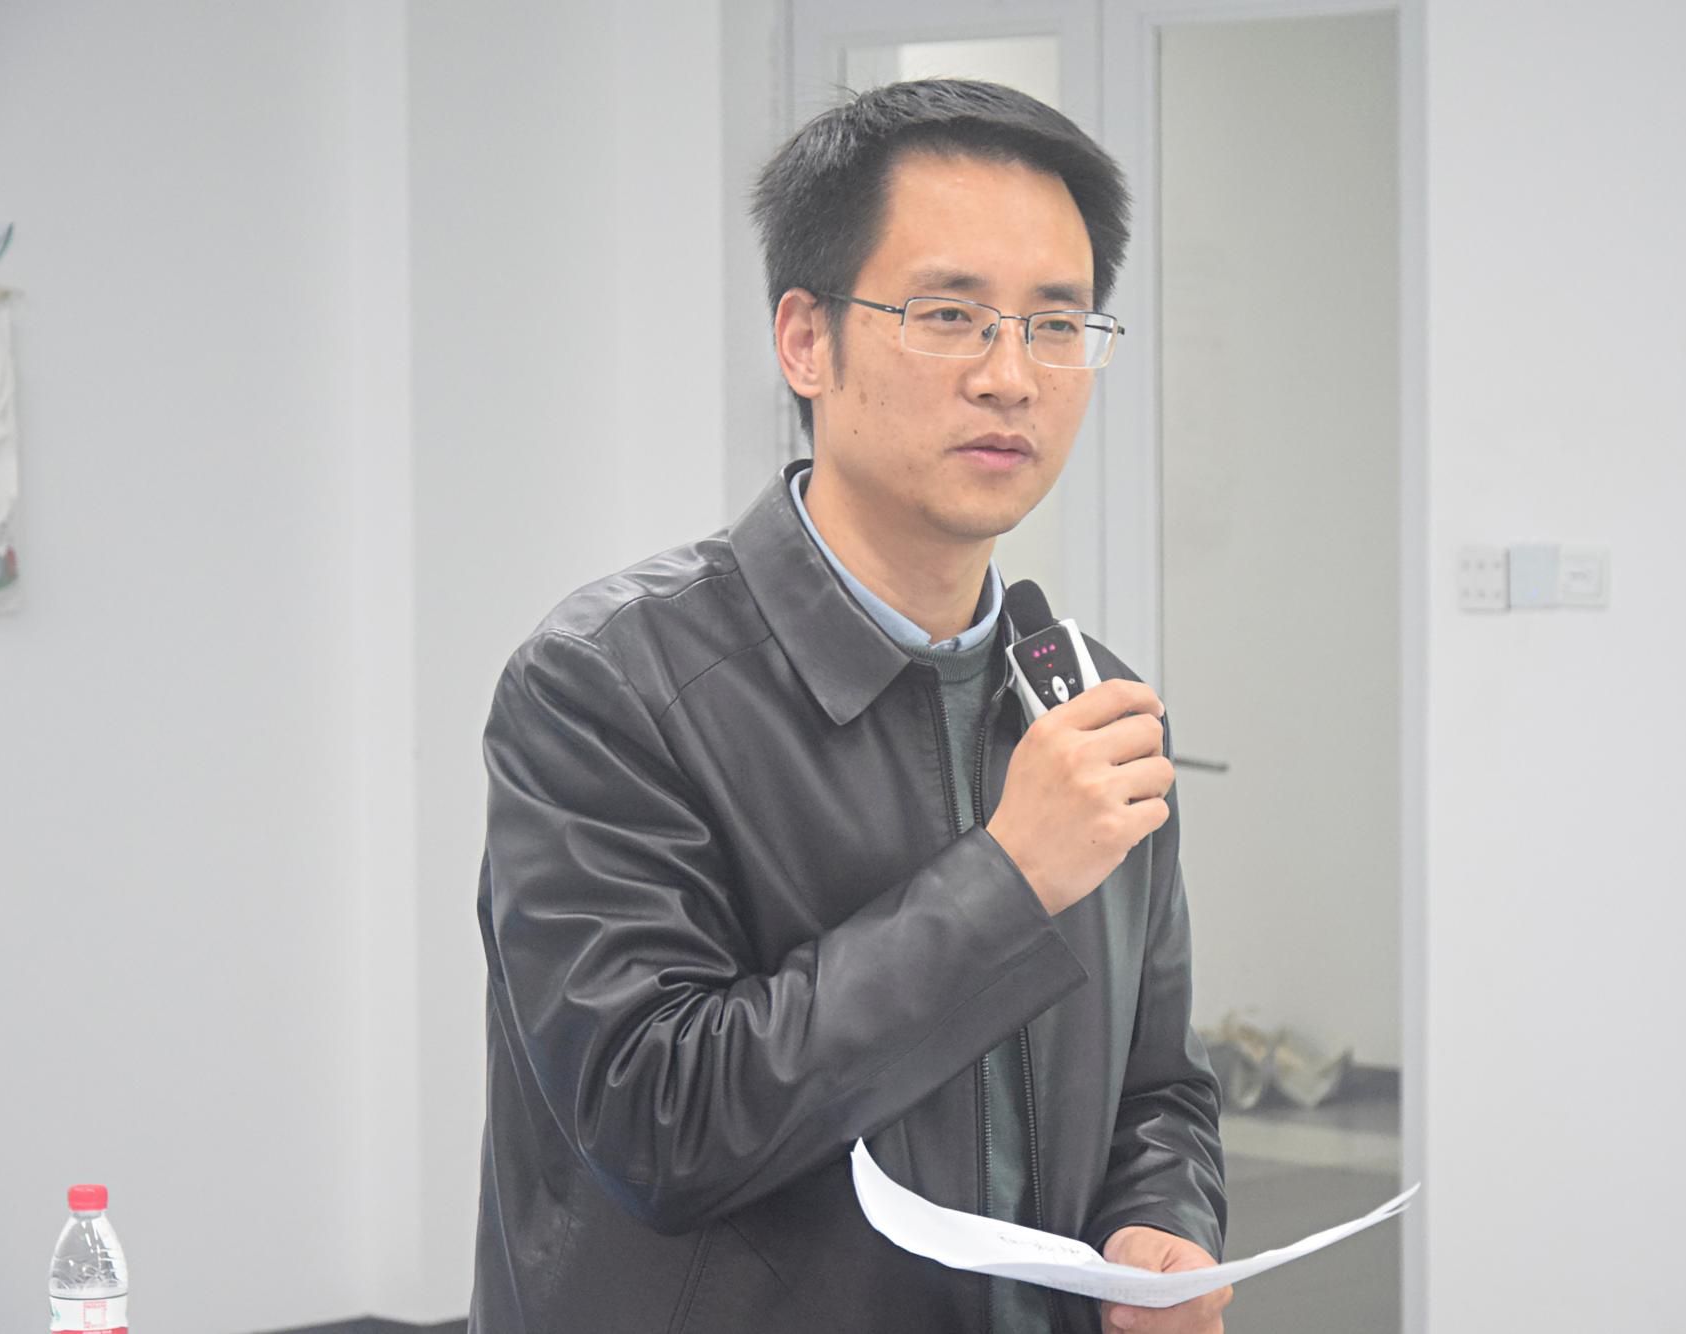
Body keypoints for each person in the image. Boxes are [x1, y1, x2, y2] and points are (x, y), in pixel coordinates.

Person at [469, 78, 1228, 1334]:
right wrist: (1007, 877)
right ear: (804, 341)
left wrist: (1160, 1221)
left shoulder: (1086, 701)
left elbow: (1158, 1087)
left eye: (1055, 324)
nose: (1010, 376)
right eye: (948, 315)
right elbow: (658, 1122)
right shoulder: (607, 683)